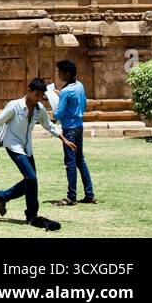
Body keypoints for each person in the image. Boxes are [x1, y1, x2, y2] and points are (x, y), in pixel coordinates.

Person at [0, 77, 77, 230]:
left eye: (41, 96)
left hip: (27, 148)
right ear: (28, 90)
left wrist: (64, 139)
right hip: (13, 146)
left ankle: (4, 197)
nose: (38, 99)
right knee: (31, 178)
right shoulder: (14, 106)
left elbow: (49, 126)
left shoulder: (39, 109)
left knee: (31, 181)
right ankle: (31, 213)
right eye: (36, 95)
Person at [52, 60, 95, 206]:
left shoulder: (65, 91)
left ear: (67, 73)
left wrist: (57, 100)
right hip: (79, 126)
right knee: (80, 161)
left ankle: (71, 196)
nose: (58, 75)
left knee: (70, 163)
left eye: (60, 72)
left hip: (69, 130)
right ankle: (89, 194)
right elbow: (84, 104)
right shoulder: (79, 86)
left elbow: (58, 114)